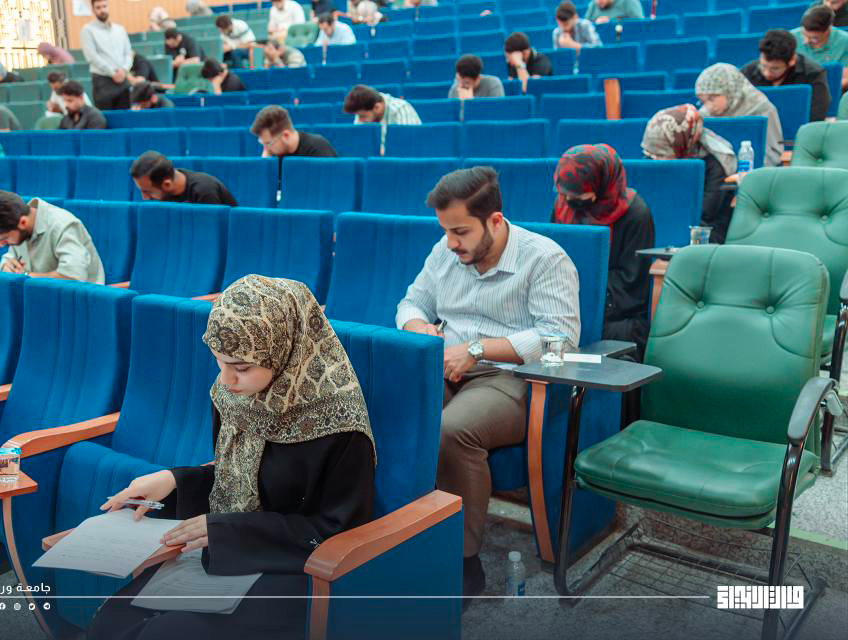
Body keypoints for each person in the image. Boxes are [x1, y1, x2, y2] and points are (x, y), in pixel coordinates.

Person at [87, 275, 375, 640]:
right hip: (230, 547)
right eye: (219, 362)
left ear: (284, 351)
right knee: (111, 624)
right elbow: (241, 476)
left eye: (241, 368)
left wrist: (229, 531)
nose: (226, 380)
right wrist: (175, 480)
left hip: (296, 567)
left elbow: (335, 530)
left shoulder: (339, 426)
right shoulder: (233, 397)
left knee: (167, 633)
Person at [397, 167, 580, 603]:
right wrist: (420, 328)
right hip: (443, 364)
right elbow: (410, 302)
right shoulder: (445, 251)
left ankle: (463, 562)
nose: (451, 243)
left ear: (495, 221)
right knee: (389, 407)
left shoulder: (544, 258)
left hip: (510, 377)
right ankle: (396, 537)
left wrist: (477, 350)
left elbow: (559, 338)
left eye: (460, 231)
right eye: (446, 231)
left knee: (452, 430)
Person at [551, 144, 654, 354]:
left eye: (579, 195)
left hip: (612, 309)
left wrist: (584, 299)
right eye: (565, 194)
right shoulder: (564, 205)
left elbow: (631, 282)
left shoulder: (635, 214)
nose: (569, 201)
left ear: (602, 184)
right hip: (566, 296)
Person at [641, 105, 737, 245]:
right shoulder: (654, 157)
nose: (656, 159)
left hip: (704, 230)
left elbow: (705, 212)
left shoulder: (716, 164)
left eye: (662, 152)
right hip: (667, 221)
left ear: (680, 141)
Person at [0, 190, 105, 285]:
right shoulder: (18, 226)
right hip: (40, 297)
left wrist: (26, 277)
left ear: (23, 222)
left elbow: (74, 277)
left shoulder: (63, 225)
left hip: (79, 302)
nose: (1, 245)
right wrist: (6, 265)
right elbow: (11, 257)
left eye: (4, 239)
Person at [695, 63, 784, 167]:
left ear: (729, 91)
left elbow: (774, 152)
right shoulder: (704, 114)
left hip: (757, 170)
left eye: (712, 98)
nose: (708, 106)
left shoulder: (761, 108)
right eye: (702, 101)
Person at [740, 29, 830, 122]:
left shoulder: (812, 74)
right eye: (763, 66)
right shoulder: (747, 73)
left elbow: (817, 115)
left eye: (775, 69)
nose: (767, 73)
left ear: (792, 60)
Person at [81, 0, 134, 110]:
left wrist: (124, 70)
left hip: (122, 80)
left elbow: (128, 53)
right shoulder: (87, 30)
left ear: (108, 7)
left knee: (125, 116)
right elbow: (91, 56)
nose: (102, 10)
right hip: (102, 81)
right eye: (98, 7)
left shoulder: (120, 29)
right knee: (106, 117)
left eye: (104, 6)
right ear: (93, 10)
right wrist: (112, 73)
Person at [130, 151, 237, 205]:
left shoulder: (204, 190)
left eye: (148, 192)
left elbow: (210, 232)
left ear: (167, 184)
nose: (144, 198)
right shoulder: (163, 186)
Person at [344, 84, 421, 151]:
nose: (359, 121)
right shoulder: (363, 109)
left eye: (362, 116)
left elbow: (408, 145)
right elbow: (361, 145)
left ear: (377, 107)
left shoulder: (400, 109)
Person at [792, 5, 848, 90]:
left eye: (814, 38)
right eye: (804, 34)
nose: (806, 41)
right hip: (800, 89)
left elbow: (845, 78)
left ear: (828, 29)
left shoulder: (845, 41)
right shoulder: (791, 38)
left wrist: (821, 91)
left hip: (831, 90)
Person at [250, 106, 337, 158]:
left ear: (286, 136)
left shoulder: (317, 148)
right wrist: (266, 162)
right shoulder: (274, 154)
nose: (266, 149)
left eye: (268, 143)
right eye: (262, 144)